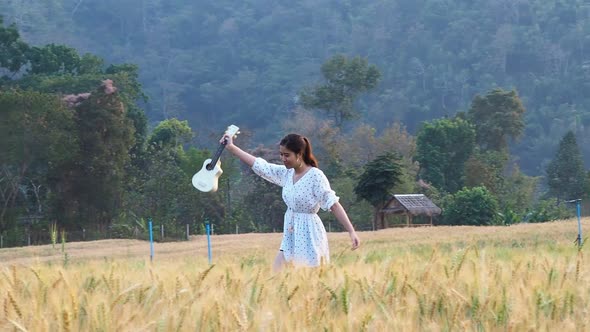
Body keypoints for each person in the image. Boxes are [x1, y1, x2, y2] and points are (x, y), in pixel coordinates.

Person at [221, 132, 360, 272]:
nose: (283, 158)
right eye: (281, 154)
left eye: (287, 155)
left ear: (299, 154)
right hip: (290, 234)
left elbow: (333, 204)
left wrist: (351, 231)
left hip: (309, 234)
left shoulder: (315, 176)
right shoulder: (288, 174)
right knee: (275, 275)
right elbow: (261, 166)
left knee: (308, 282)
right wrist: (232, 147)